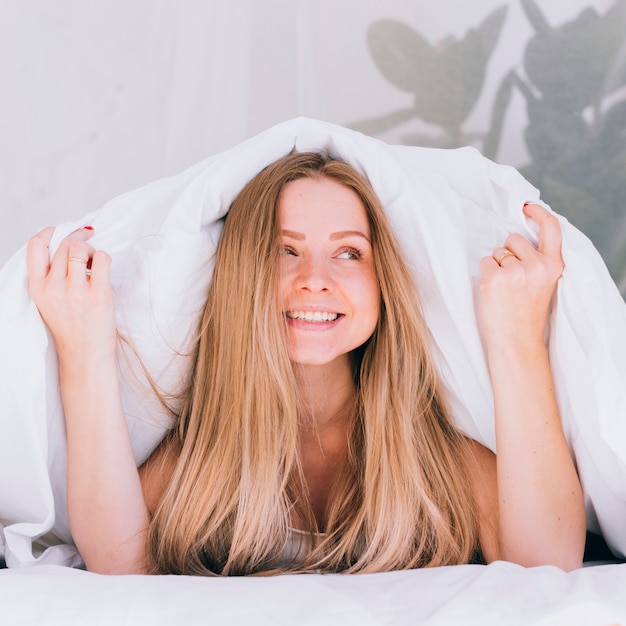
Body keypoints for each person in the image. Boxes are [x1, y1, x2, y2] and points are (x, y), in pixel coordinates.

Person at [26, 151, 586, 576]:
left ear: (383, 281)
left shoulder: (435, 459)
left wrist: (517, 339)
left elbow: (548, 564)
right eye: (283, 249)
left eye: (349, 252)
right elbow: (120, 568)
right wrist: (86, 352)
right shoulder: (202, 462)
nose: (315, 277)